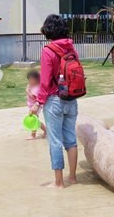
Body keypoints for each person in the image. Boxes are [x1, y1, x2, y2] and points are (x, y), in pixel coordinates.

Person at [30, 14, 81, 189]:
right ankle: (72, 177)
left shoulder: (48, 50)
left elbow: (44, 82)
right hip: (71, 99)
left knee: (55, 141)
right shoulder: (71, 48)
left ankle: (58, 182)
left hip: (54, 101)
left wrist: (38, 103)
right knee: (70, 139)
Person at [26, 70, 47, 140]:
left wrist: (28, 91)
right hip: (32, 106)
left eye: (31, 81)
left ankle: (33, 135)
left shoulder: (36, 88)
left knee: (33, 120)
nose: (30, 82)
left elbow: (33, 97)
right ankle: (46, 130)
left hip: (35, 106)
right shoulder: (33, 86)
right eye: (29, 80)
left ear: (37, 80)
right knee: (35, 120)